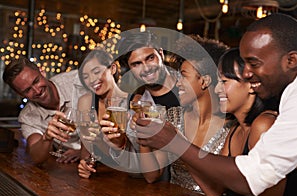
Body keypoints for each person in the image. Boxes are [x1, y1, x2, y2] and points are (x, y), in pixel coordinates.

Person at [135, 13, 297, 196]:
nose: (247, 73)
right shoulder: (236, 132)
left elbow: (254, 179)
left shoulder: (266, 122)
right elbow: (217, 193)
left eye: (253, 63)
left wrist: (177, 144)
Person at [139, 35, 230, 189]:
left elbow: (219, 189)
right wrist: (143, 136)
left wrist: (178, 144)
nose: (178, 82)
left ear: (204, 81)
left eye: (184, 75)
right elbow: (152, 176)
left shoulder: (229, 128)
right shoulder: (172, 117)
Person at [100, 30, 180, 180]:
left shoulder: (189, 88)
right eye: (136, 64)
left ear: (161, 54)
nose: (146, 68)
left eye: (150, 58)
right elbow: (143, 171)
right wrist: (119, 145)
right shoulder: (136, 106)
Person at [2, 57, 87, 164]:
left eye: (36, 81)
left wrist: (84, 151)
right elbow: (36, 157)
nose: (37, 91)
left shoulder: (79, 80)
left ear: (42, 72)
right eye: (28, 90)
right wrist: (46, 138)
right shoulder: (27, 117)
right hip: (73, 166)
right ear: (20, 94)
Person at [77, 48, 128, 178]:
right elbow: (86, 151)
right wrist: (85, 165)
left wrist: (100, 142)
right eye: (86, 77)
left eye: (96, 72)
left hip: (128, 179)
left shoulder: (133, 102)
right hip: (100, 179)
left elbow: (133, 160)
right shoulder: (85, 102)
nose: (92, 80)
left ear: (112, 69)